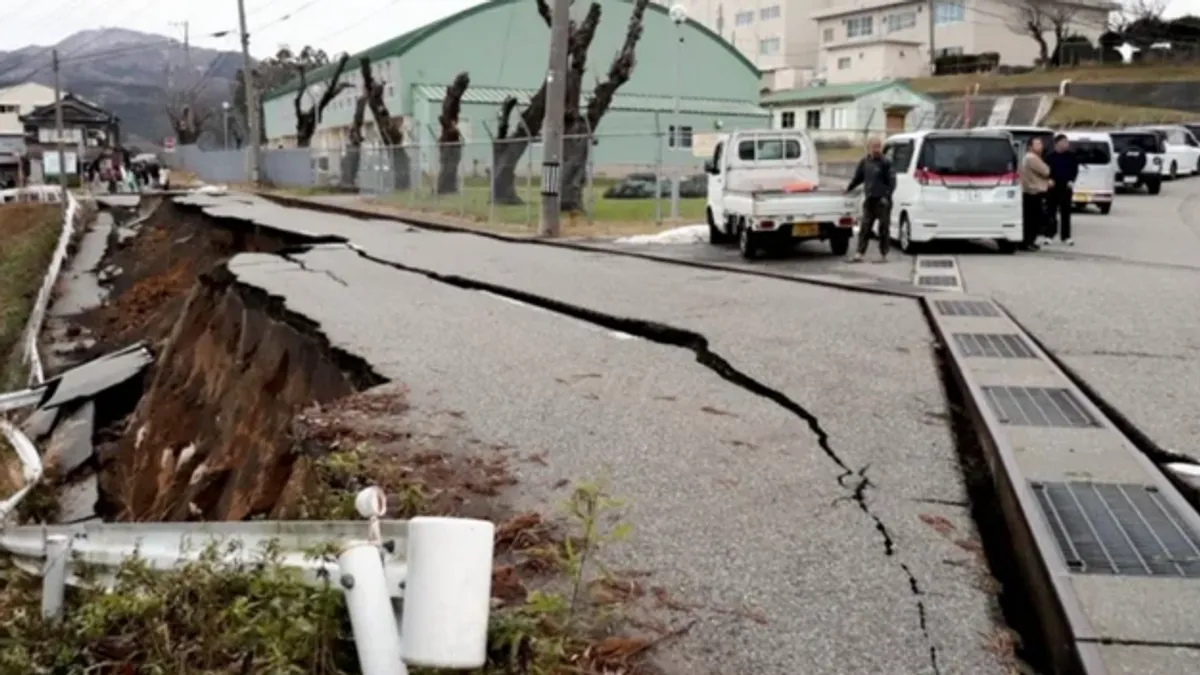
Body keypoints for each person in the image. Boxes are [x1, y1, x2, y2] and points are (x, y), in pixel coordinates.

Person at [844, 137, 896, 263]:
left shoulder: (886, 163)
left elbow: (892, 182)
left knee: (883, 228)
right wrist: (849, 188)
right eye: (874, 146)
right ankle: (859, 253)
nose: (877, 149)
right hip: (869, 200)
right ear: (869, 148)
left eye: (879, 146)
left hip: (883, 201)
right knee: (865, 227)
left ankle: (884, 254)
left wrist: (886, 196)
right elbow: (858, 178)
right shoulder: (865, 162)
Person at [1020, 137, 1053, 251]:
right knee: (1033, 219)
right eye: (1037, 144)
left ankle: (1028, 241)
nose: (1040, 146)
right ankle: (1028, 242)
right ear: (1030, 147)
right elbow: (1046, 171)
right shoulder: (1032, 158)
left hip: (1029, 191)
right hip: (1033, 191)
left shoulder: (1027, 157)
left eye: (1041, 144)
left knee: (1030, 219)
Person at [1044, 134, 1078, 246]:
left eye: (1067, 143)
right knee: (1051, 212)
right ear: (1057, 143)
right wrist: (1048, 179)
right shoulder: (1049, 156)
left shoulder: (1071, 156)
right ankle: (1049, 235)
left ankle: (1066, 236)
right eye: (1063, 142)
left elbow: (1075, 170)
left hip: (1066, 186)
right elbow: (1045, 171)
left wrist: (1072, 180)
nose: (1065, 145)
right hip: (1052, 187)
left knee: (1066, 212)